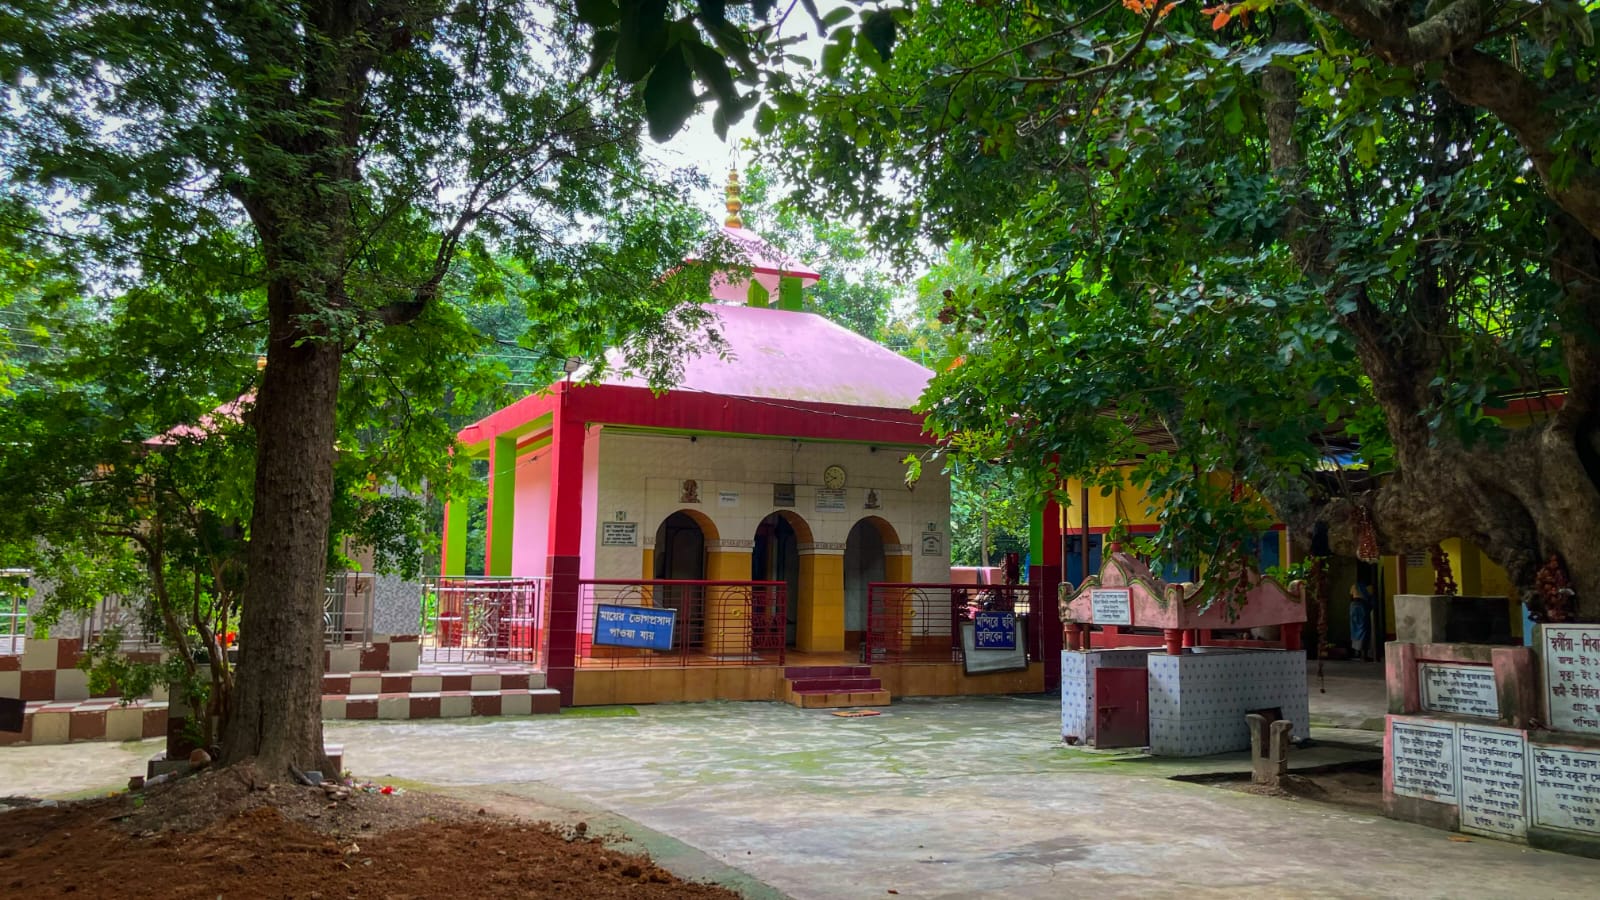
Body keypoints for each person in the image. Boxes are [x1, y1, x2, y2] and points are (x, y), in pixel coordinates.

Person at [1349, 583, 1374, 662]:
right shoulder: (1369, 587)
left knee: (1355, 630)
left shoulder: (1354, 586)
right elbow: (1370, 598)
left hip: (1353, 606)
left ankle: (1357, 653)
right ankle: (1364, 655)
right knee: (1364, 630)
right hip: (1362, 606)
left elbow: (1350, 597)